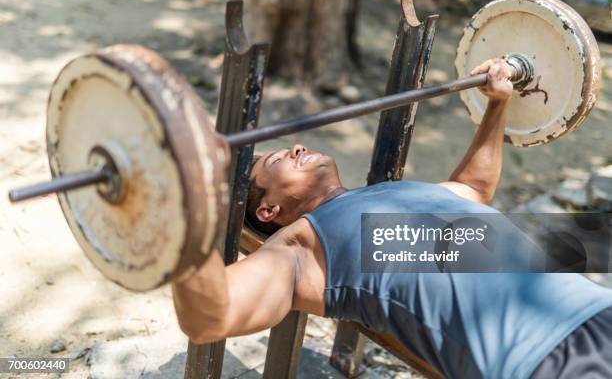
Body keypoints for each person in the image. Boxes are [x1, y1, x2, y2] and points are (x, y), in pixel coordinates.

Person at [171, 59, 612, 379]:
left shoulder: (392, 194)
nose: (297, 148)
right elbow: (211, 315)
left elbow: (473, 191)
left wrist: (497, 105)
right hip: (539, 360)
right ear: (268, 210)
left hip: (595, 310)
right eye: (278, 160)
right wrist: (189, 206)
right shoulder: (300, 248)